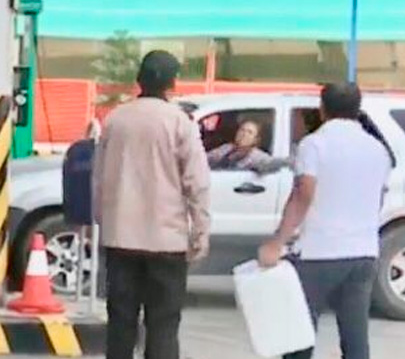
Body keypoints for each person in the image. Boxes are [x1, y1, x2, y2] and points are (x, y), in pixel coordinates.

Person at [258, 83, 392, 359]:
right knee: (355, 337)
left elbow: (303, 195)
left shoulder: (314, 144)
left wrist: (277, 241)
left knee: (299, 335)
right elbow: (379, 197)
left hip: (319, 252)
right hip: (363, 254)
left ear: (322, 109)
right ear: (358, 109)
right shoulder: (377, 149)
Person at [93, 50, 211, 359]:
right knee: (163, 324)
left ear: (139, 80)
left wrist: (103, 222)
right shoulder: (179, 123)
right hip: (166, 241)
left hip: (121, 239)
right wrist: (201, 230)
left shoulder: (116, 119)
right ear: (173, 82)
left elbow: (100, 178)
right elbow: (196, 183)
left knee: (120, 321)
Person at [206, 120, 273, 171]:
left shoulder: (258, 156)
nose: (244, 134)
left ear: (255, 139)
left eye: (249, 132)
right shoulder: (226, 148)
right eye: (242, 130)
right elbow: (205, 159)